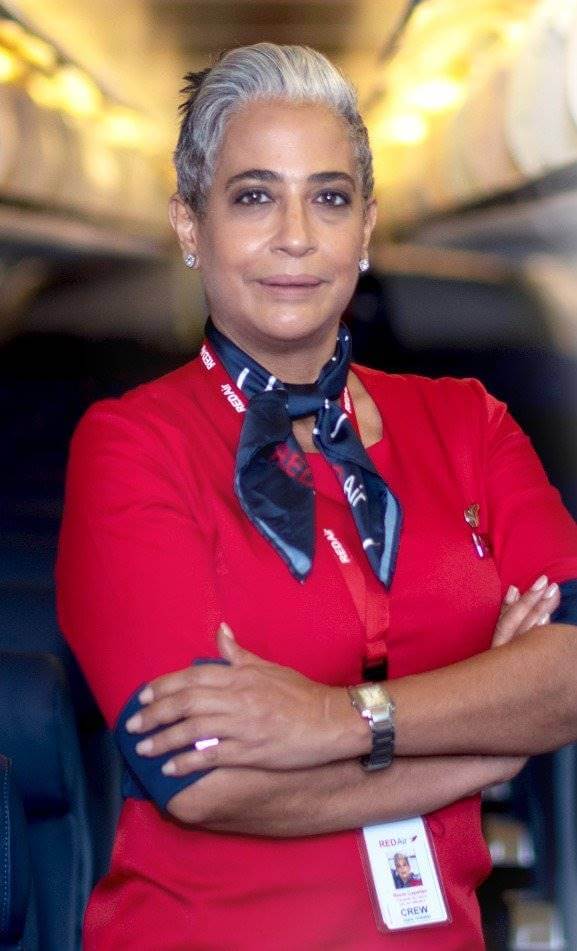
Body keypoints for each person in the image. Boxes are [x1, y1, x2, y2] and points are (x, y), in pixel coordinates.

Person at [56, 43, 577, 950]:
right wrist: (492, 742)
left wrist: (328, 720)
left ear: (365, 228)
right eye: (253, 196)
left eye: (329, 198)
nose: (295, 234)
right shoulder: (132, 444)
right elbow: (201, 778)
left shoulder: (467, 423)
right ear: (189, 224)